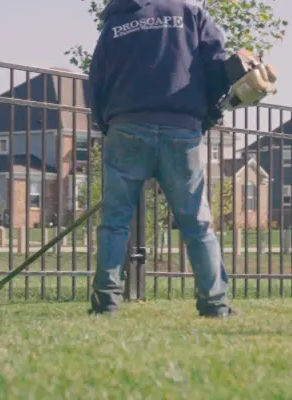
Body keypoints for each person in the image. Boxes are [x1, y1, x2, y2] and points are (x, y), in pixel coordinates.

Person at [87, 0, 235, 318]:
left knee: (114, 222)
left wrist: (108, 125)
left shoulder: (114, 25)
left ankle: (106, 302)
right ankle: (214, 304)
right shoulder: (191, 14)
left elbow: (96, 82)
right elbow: (217, 66)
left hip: (125, 126)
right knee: (196, 222)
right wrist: (208, 113)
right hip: (181, 127)